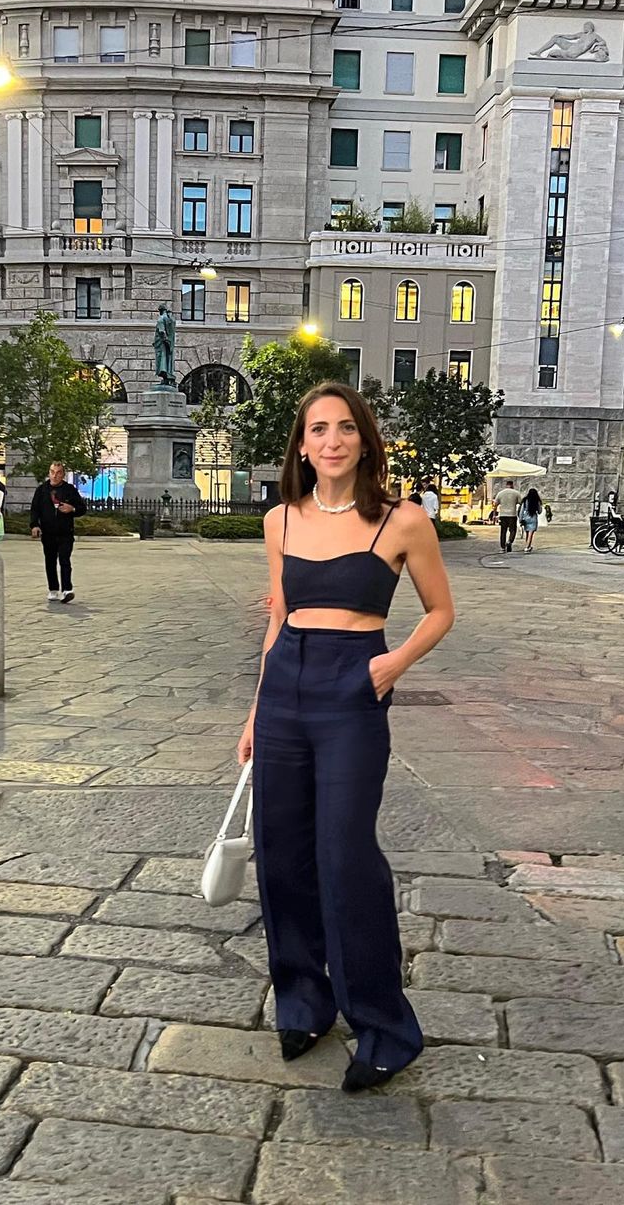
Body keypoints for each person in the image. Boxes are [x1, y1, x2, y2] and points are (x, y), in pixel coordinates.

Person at [237, 381, 455, 1093]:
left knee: (345, 855)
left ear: (364, 440)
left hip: (353, 687)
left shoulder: (402, 520)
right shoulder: (280, 521)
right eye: (318, 429)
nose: (332, 440)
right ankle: (303, 1001)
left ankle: (385, 1028)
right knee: (280, 852)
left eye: (345, 428)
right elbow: (278, 617)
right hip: (286, 685)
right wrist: (256, 710)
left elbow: (440, 610)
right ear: (302, 446)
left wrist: (394, 662)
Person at [30, 461, 88, 602]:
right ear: (49, 473)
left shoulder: (70, 490)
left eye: (58, 473)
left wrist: (72, 509)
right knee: (50, 561)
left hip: (65, 532)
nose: (55, 476)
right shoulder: (42, 490)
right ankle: (53, 589)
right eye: (52, 472)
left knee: (64, 560)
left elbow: (82, 508)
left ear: (63, 474)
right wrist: (34, 525)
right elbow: (35, 509)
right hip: (48, 532)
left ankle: (67, 589)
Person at [492, 480, 521, 552]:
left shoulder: (500, 493)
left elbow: (495, 505)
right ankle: (509, 541)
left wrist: (494, 515)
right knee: (513, 530)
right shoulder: (516, 493)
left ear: (506, 485)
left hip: (503, 515)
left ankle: (502, 547)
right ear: (512, 485)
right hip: (512, 514)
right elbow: (520, 502)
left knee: (503, 531)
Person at [519, 486, 543, 553]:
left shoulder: (525, 501)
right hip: (533, 518)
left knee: (527, 533)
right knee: (531, 533)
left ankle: (528, 546)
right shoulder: (537, 501)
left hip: (526, 517)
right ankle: (527, 547)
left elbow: (521, 511)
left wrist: (520, 519)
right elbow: (540, 511)